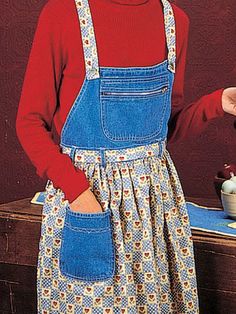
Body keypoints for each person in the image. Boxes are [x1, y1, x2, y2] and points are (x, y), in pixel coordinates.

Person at [16, 0, 236, 313]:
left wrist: (217, 103)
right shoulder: (64, 14)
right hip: (89, 200)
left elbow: (162, 128)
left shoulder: (175, 21)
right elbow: (29, 122)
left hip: (154, 209)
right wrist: (79, 195)